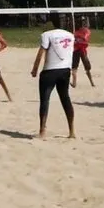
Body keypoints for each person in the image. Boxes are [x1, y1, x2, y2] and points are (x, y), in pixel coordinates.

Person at [30, 11, 75, 139]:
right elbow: (71, 53)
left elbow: (41, 53)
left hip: (50, 71)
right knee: (65, 99)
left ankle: (42, 131)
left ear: (51, 22)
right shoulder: (70, 35)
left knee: (45, 100)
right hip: (65, 70)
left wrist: (34, 69)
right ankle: (72, 132)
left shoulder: (47, 34)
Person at [71, 16, 95, 88]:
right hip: (78, 50)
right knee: (77, 67)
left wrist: (77, 38)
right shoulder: (80, 32)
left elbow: (84, 39)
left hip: (79, 50)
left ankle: (91, 82)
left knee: (80, 67)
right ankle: (75, 83)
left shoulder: (81, 32)